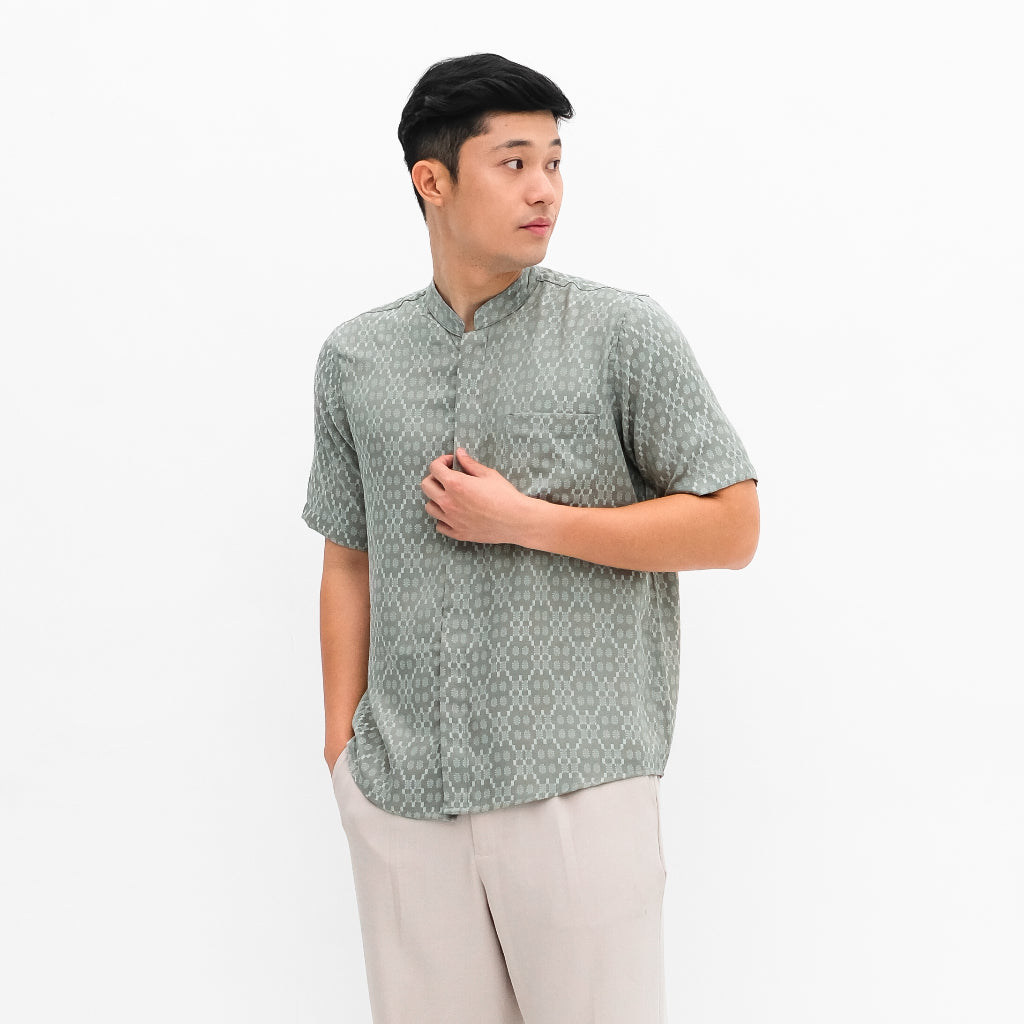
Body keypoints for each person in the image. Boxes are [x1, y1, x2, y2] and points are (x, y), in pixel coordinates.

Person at [302, 52, 759, 1024]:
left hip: (578, 787)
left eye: (553, 162)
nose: (544, 189)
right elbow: (347, 554)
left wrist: (524, 521)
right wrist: (343, 750)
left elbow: (732, 524)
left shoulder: (621, 334)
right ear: (432, 181)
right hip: (403, 794)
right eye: (513, 163)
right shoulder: (356, 358)